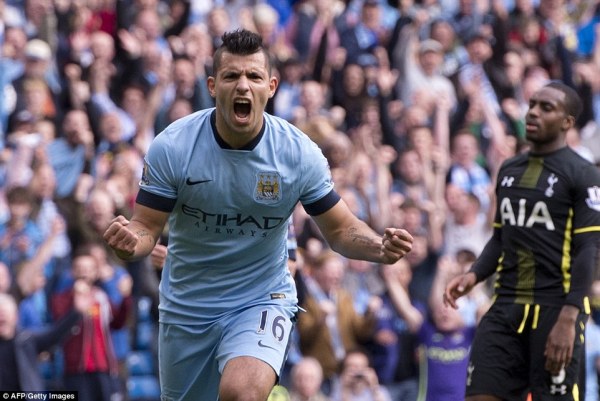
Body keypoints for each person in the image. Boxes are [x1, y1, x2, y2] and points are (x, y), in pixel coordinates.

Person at [103, 29, 414, 401]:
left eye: (253, 76)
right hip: (188, 307)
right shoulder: (173, 146)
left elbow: (341, 229)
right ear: (212, 86)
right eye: (231, 76)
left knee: (242, 393)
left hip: (262, 298)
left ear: (271, 86)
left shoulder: (297, 153)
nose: (243, 86)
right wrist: (129, 242)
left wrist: (378, 247)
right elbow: (145, 228)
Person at [443, 81, 600, 401]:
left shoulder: (584, 174)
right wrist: (474, 275)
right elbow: (501, 236)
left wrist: (570, 317)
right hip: (506, 304)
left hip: (556, 308)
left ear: (567, 122)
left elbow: (589, 250)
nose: (533, 113)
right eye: (532, 105)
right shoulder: (509, 169)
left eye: (546, 108)